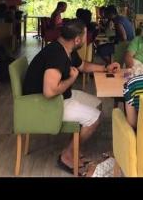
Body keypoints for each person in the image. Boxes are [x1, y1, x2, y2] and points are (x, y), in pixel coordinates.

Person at [22, 19, 120, 174]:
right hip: (43, 104)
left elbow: (83, 66)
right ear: (77, 40)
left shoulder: (66, 48)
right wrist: (72, 79)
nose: (87, 39)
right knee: (95, 118)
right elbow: (49, 92)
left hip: (59, 96)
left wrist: (105, 68)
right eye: (85, 36)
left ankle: (74, 148)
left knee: (97, 104)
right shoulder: (56, 55)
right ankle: (67, 156)